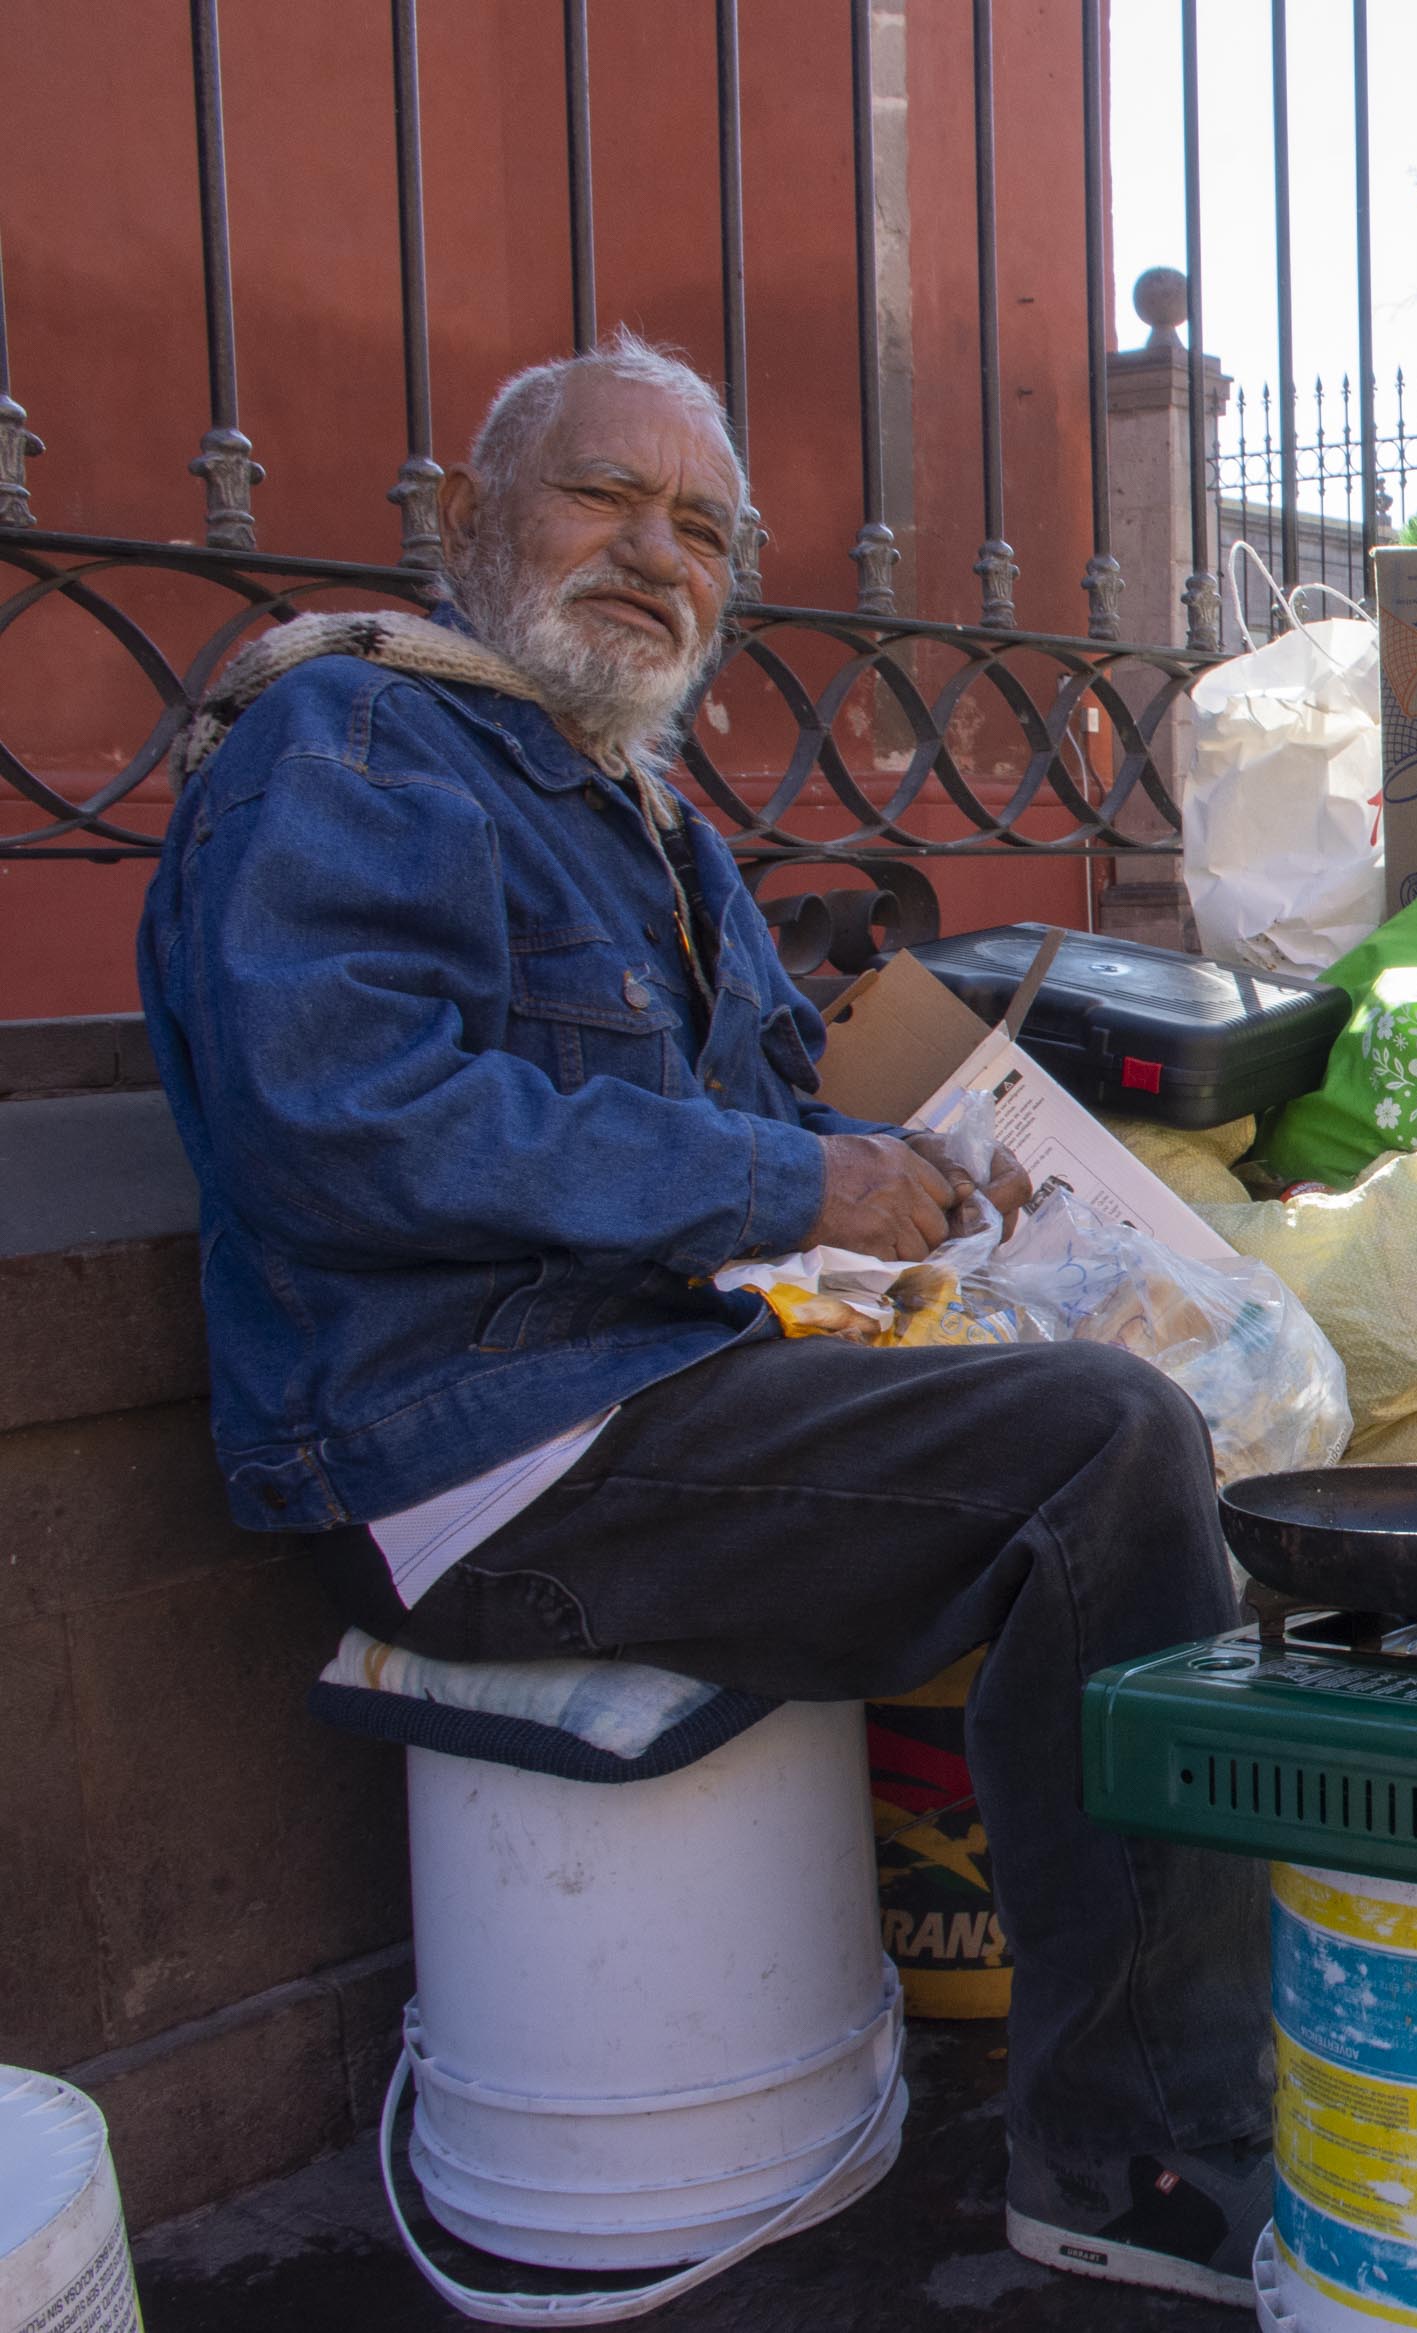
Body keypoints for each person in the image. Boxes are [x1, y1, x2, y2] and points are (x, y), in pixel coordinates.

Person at [136, 334, 1275, 2304]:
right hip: (476, 1456)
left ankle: (1150, 2078)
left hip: (637, 1405)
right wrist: (795, 1189)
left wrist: (925, 1179)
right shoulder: (359, 742)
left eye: (702, 530)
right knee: (1095, 1451)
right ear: (472, 520)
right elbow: (349, 1117)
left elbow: (751, 1127)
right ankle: (1142, 2144)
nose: (655, 556)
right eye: (605, 498)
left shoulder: (640, 815)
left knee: (1127, 1399)